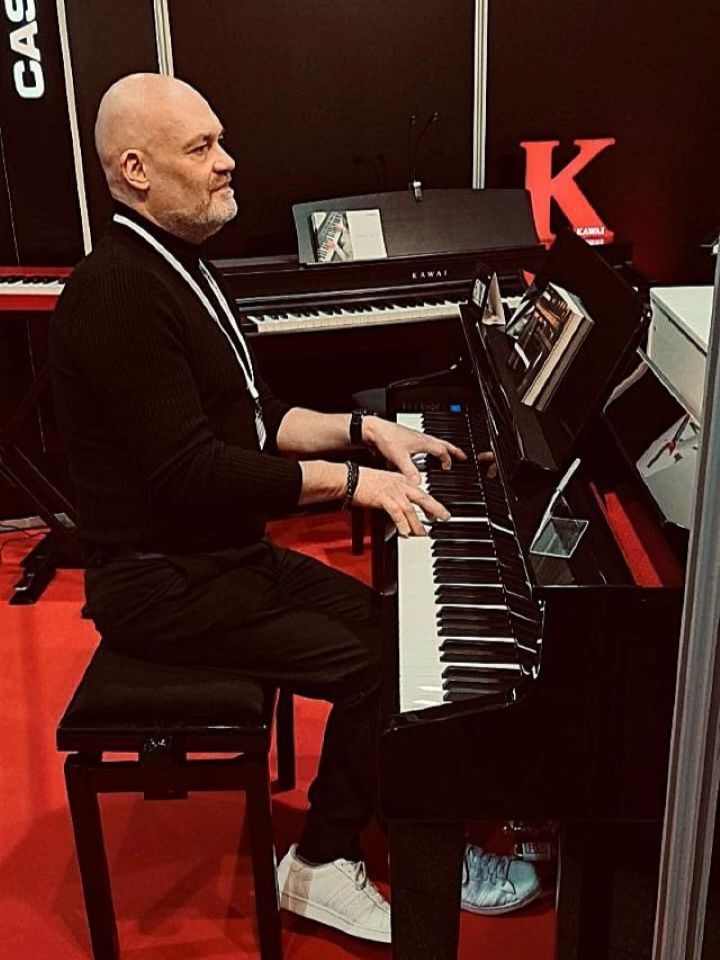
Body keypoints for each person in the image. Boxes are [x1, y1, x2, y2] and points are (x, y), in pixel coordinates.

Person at [49, 73, 540, 945]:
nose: (227, 162)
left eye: (220, 140)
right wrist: (354, 486)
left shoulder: (178, 263)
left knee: (395, 633)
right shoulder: (116, 290)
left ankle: (416, 818)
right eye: (201, 148)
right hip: (162, 586)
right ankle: (319, 863)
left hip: (221, 559)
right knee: (379, 668)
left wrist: (367, 432)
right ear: (136, 170)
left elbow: (258, 418)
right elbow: (192, 473)